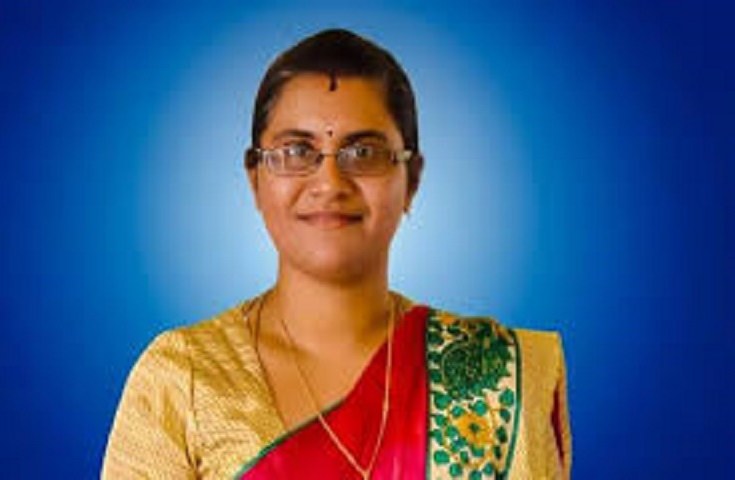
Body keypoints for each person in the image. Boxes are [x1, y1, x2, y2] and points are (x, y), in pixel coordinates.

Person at [102, 28, 571, 479]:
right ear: (255, 179)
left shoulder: (495, 375)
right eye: (295, 152)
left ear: (412, 181)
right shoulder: (183, 377)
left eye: (363, 152)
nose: (329, 183)